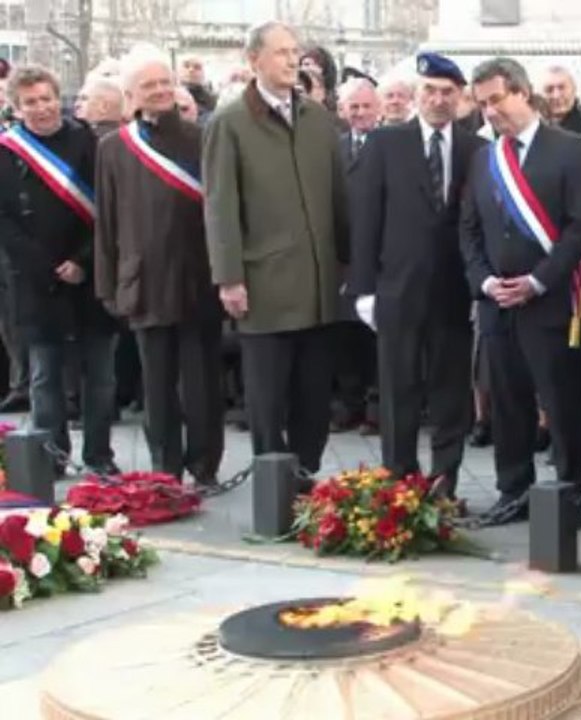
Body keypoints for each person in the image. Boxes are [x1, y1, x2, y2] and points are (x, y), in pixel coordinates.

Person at [203, 21, 349, 478]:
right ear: (254, 61)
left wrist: (347, 263)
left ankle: (306, 473)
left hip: (320, 282)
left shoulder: (319, 119)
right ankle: (273, 481)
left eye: (295, 52)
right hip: (263, 283)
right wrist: (229, 277)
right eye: (282, 52)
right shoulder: (229, 123)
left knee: (313, 393)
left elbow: (338, 198)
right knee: (267, 396)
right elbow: (220, 206)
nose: (293, 60)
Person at [459, 57, 581, 526]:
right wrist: (485, 281)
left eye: (496, 100)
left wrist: (538, 281)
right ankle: (512, 490)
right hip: (498, 302)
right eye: (481, 105)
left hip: (551, 300)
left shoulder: (571, 150)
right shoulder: (484, 158)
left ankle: (567, 492)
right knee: (508, 400)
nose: (489, 112)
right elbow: (469, 231)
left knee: (561, 402)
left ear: (522, 92)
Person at [351, 52, 486, 495]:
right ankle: (400, 482)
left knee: (450, 396)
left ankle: (444, 482)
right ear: (417, 92)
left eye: (448, 92)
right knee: (398, 392)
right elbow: (366, 219)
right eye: (430, 90)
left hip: (453, 294)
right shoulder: (386, 144)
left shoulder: (475, 150)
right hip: (397, 291)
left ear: (460, 97)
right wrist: (364, 289)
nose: (438, 99)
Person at [95, 45, 223, 485]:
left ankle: (205, 466)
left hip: (197, 278)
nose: (160, 91)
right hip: (144, 283)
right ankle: (164, 468)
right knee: (157, 387)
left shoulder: (201, 137)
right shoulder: (113, 147)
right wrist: (108, 284)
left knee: (203, 384)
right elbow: (106, 220)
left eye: (164, 82)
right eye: (148, 85)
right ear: (131, 94)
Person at [0, 66, 118, 475]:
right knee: (45, 377)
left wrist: (83, 262)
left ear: (59, 99)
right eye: (30, 102)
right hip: (36, 282)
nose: (41, 108)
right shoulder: (6, 152)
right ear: (17, 108)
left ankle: (100, 456)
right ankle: (51, 459)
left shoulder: (87, 140)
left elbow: (106, 208)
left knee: (99, 376)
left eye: (46, 98)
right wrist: (49, 268)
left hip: (88, 276)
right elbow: (6, 225)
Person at [332, 77, 382, 436]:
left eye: (366, 106)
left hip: (381, 255)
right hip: (344, 254)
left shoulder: (391, 144)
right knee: (346, 336)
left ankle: (377, 409)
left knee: (377, 336)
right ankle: (350, 405)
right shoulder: (334, 148)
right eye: (354, 107)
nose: (360, 112)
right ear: (342, 110)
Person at [541, 66, 581, 134]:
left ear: (574, 90)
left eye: (562, 88)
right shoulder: (534, 125)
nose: (556, 96)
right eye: (549, 90)